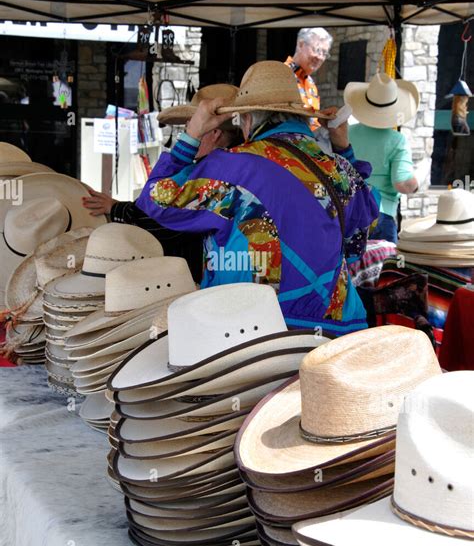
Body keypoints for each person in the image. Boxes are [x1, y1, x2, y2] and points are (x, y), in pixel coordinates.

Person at [135, 61, 379, 336]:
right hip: (335, 329)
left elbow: (155, 200)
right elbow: (358, 238)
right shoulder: (337, 167)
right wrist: (343, 148)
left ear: (248, 119)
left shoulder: (231, 168)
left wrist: (192, 133)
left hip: (253, 330)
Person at [82, 84, 241, 283]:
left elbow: (157, 216)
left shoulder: (208, 175)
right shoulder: (240, 165)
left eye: (191, 125)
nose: (186, 131)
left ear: (214, 132)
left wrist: (117, 209)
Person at [344, 72, 420, 244]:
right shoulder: (397, 141)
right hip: (380, 214)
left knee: (351, 269)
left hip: (349, 214)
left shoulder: (347, 133)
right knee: (383, 269)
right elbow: (402, 183)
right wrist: (417, 183)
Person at [284, 27, 333, 133]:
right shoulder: (282, 75)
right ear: (301, 44)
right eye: (317, 50)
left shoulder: (310, 83)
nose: (320, 57)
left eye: (324, 53)